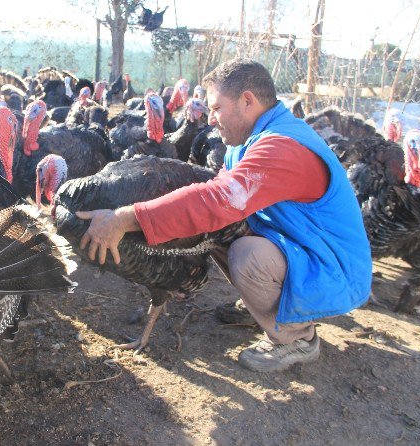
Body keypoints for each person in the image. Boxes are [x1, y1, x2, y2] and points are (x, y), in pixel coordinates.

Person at [76, 58, 372, 373]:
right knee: (219, 229)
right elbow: (216, 199)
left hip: (337, 271)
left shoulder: (281, 148)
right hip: (305, 250)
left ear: (248, 101)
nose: (212, 119)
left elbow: (219, 200)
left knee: (247, 254)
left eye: (217, 108)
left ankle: (296, 338)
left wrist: (125, 218)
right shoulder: (252, 139)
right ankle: (268, 307)